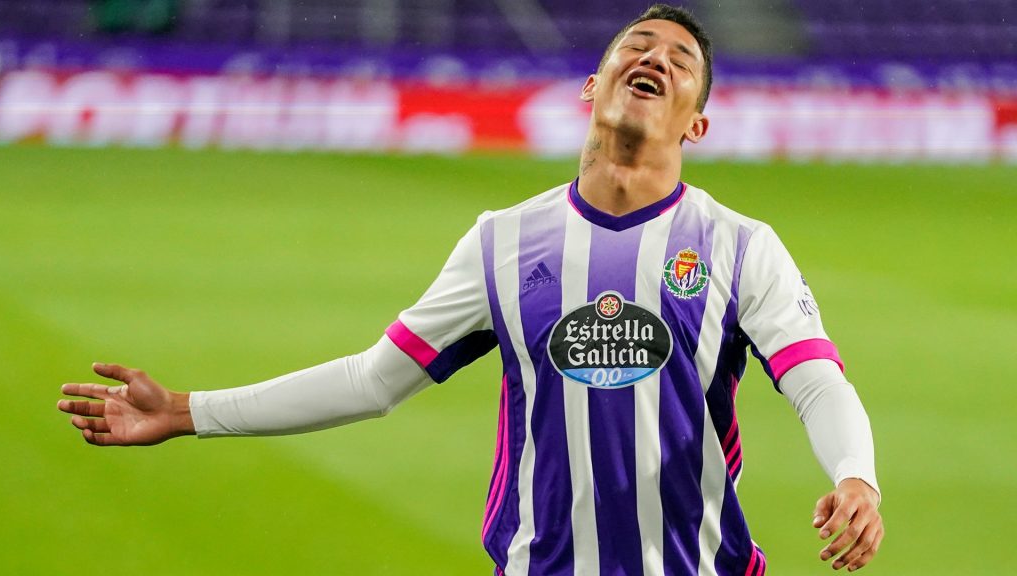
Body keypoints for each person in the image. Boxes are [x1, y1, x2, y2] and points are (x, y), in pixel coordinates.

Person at [58, 4, 883, 574]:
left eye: (680, 60)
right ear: (592, 86)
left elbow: (816, 381)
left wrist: (856, 475)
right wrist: (187, 411)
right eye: (636, 46)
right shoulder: (503, 242)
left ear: (696, 123)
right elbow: (374, 380)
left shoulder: (740, 247)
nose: (654, 59)